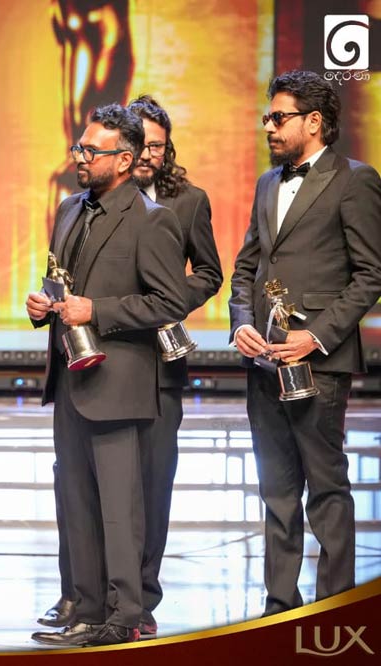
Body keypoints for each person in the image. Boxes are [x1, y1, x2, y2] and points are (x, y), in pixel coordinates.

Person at [27, 104, 187, 647]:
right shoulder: (69, 209)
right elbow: (59, 281)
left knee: (120, 511)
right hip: (71, 379)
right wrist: (43, 305)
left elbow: (168, 301)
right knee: (77, 506)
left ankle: (124, 617)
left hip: (121, 384)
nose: (80, 156)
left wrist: (97, 310)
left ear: (123, 160)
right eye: (80, 147)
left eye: (91, 151)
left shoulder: (151, 219)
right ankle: (87, 612)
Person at [229, 70, 381, 616]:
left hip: (319, 363)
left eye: (279, 117)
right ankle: (279, 609)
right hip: (264, 362)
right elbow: (246, 268)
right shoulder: (267, 183)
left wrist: (315, 335)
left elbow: (371, 273)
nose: (269, 126)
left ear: (314, 121)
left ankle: (334, 613)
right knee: (276, 492)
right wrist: (240, 322)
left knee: (327, 490)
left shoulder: (355, 180)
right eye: (267, 117)